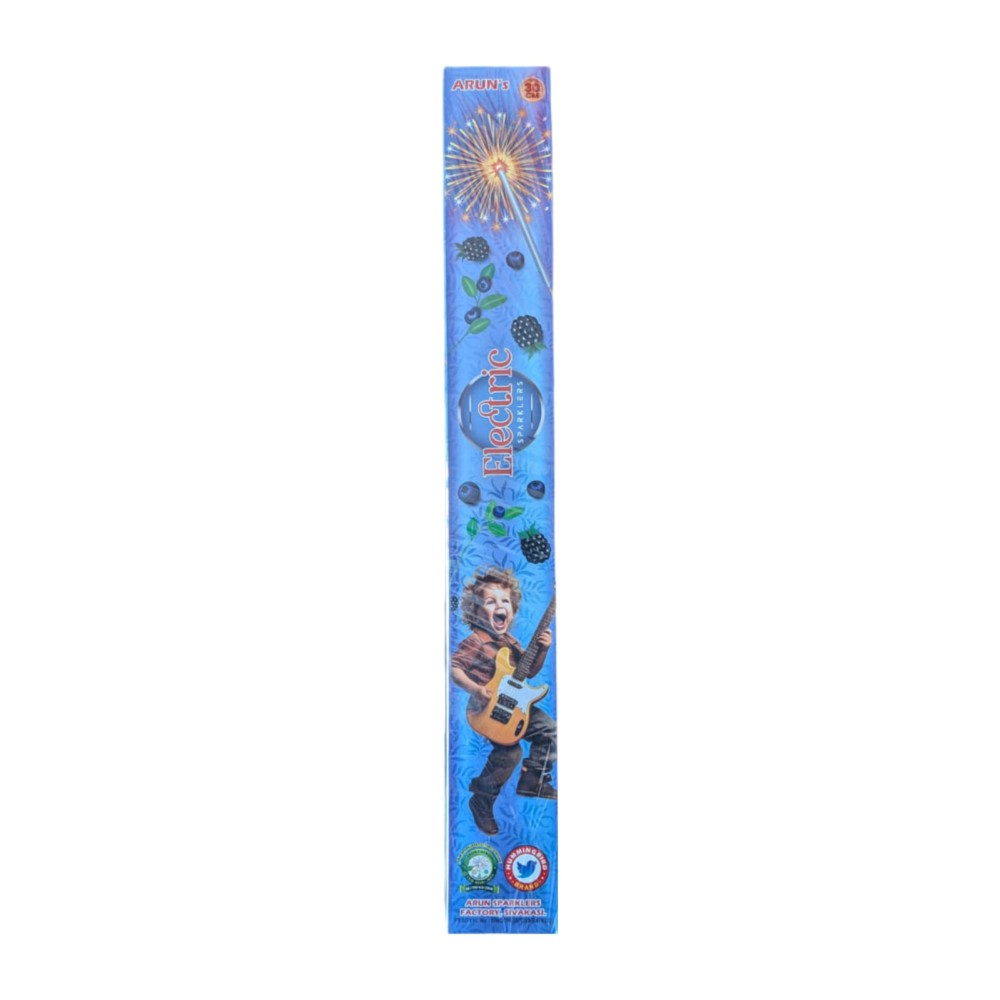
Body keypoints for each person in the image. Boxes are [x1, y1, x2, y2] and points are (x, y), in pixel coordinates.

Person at [451, 566, 557, 836]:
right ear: (476, 611)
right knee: (510, 753)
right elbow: (454, 668)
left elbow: (527, 672)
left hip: (516, 705)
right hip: (488, 708)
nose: (500, 606)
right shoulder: (475, 641)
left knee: (549, 729)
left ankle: (533, 779)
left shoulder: (510, 641)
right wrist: (476, 689)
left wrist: (543, 649)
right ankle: (481, 799)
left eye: (505, 601)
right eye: (490, 601)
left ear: (513, 608)